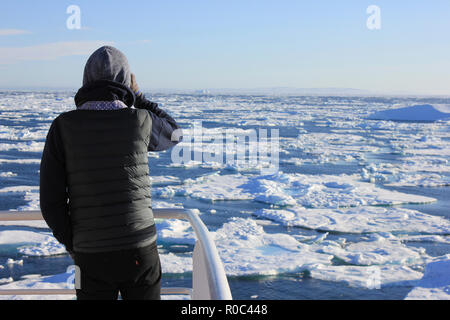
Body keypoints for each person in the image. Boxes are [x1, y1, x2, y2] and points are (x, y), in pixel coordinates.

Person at [39, 46, 182, 300]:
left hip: (90, 257)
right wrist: (139, 96)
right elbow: (175, 133)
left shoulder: (63, 127)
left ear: (86, 80)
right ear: (125, 81)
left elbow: (51, 202)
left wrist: (75, 244)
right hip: (140, 249)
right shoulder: (140, 120)